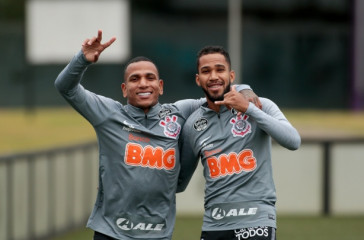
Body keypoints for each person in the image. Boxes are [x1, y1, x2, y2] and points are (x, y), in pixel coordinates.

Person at [54, 30, 260, 240]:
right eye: (135, 79)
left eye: (150, 78)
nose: (143, 83)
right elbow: (65, 88)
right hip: (111, 232)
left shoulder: (180, 111)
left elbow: (215, 92)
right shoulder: (108, 114)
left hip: (158, 234)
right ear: (124, 89)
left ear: (160, 87)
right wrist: (82, 59)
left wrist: (244, 88)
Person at [177, 45, 301, 240]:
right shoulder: (193, 123)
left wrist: (249, 109)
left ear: (231, 75)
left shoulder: (260, 105)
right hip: (214, 225)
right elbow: (179, 183)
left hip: (256, 223)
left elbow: (293, 141)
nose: (213, 76)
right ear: (197, 79)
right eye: (206, 71)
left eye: (220, 69)